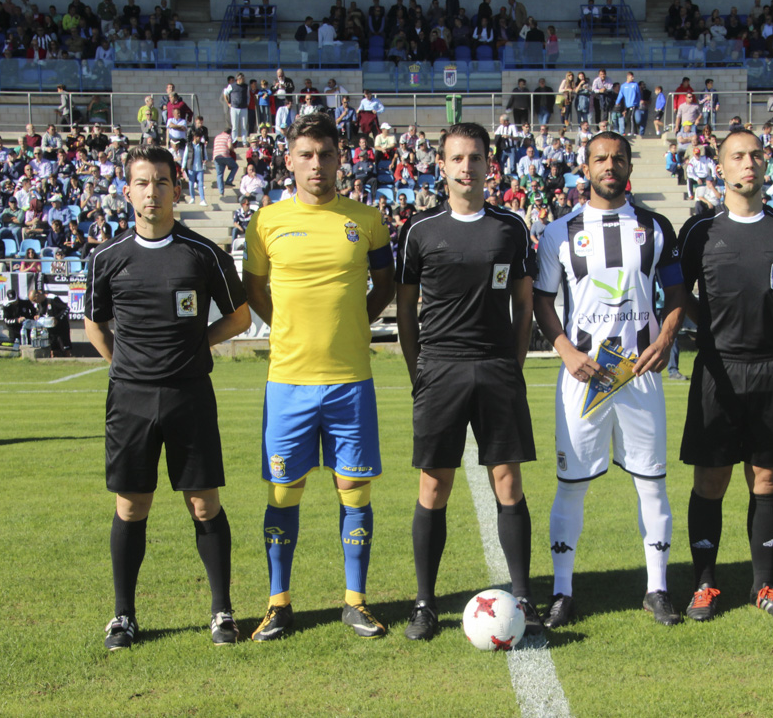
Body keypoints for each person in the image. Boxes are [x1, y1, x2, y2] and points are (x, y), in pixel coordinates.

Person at [84, 145, 252, 651]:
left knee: (204, 505)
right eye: (142, 182)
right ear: (128, 191)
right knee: (132, 506)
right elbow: (95, 323)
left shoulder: (204, 253)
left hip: (190, 396)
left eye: (161, 182)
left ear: (176, 189)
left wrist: (198, 343)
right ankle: (123, 616)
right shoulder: (107, 259)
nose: (152, 191)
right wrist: (125, 365)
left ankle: (222, 612)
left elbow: (241, 318)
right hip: (130, 400)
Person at [241, 113, 394, 641]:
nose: (317, 164)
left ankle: (355, 602)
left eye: (326, 154)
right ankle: (279, 604)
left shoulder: (367, 219)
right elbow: (255, 290)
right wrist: (286, 324)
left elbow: (386, 282)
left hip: (351, 379)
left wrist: (356, 319)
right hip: (288, 380)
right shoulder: (264, 222)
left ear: (339, 158)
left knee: (354, 489)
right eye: (306, 155)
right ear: (288, 161)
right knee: (284, 492)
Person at [533, 131, 688, 629]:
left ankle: (657, 588)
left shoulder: (656, 226)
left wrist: (665, 337)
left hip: (638, 371)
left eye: (618, 157)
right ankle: (561, 592)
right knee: (571, 486)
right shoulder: (560, 232)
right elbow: (541, 301)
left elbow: (678, 293)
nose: (609, 165)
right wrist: (565, 351)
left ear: (628, 166)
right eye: (600, 158)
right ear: (586, 167)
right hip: (585, 374)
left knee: (652, 484)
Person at [395, 122, 541, 640]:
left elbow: (523, 305)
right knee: (434, 485)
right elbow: (406, 311)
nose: (466, 167)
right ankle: (425, 603)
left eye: (475, 157)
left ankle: (522, 598)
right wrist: (419, 369)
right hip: (440, 369)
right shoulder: (420, 230)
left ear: (487, 164)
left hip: (496, 369)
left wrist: (513, 364)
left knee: (508, 482)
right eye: (457, 158)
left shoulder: (511, 227)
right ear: (442, 165)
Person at [677, 129, 773, 623]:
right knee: (711, 480)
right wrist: (708, 324)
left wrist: (770, 322)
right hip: (718, 367)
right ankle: (705, 584)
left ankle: (764, 586)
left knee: (767, 478)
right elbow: (680, 295)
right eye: (738, 156)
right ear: (721, 167)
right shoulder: (699, 232)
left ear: (766, 163)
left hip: (772, 366)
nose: (748, 163)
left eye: (756, 155)